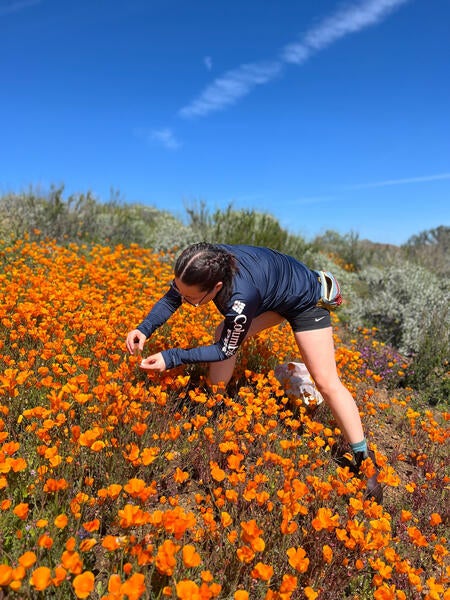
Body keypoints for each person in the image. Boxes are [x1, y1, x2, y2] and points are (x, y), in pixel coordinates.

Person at [126, 242, 382, 502]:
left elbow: (225, 350)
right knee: (222, 333)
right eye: (180, 290)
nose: (183, 299)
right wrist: (144, 329)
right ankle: (213, 404)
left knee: (326, 383)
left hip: (305, 299)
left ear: (216, 288)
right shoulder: (203, 263)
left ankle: (365, 460)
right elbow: (173, 297)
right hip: (273, 288)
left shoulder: (240, 297)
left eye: (190, 299)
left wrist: (171, 358)